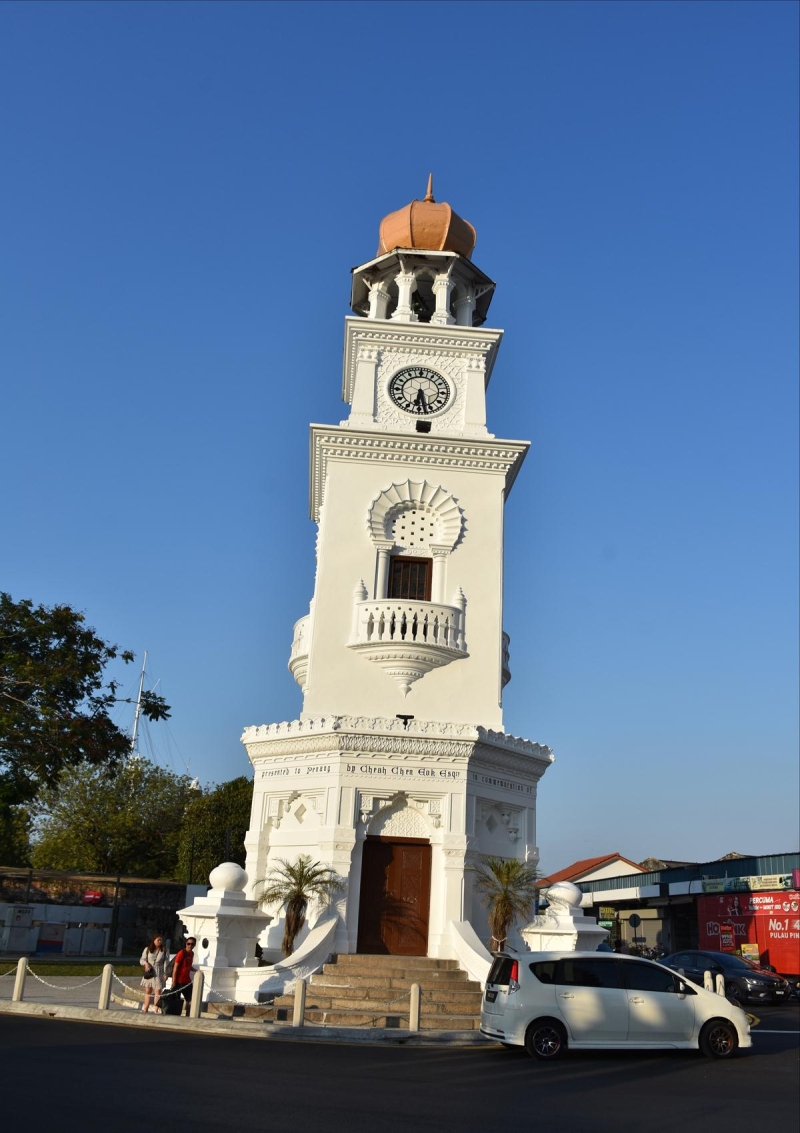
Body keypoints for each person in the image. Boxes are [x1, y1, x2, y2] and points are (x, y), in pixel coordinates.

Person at [139, 935, 170, 1013]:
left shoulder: (164, 950)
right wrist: (146, 963)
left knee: (158, 991)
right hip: (149, 971)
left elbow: (166, 963)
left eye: (161, 940)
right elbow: (142, 960)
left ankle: (156, 1009)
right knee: (148, 991)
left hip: (159, 971)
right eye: (158, 940)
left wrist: (166, 974)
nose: (160, 941)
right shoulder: (147, 949)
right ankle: (145, 1008)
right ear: (154, 940)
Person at [170, 936, 198, 1016]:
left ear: (194, 945)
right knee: (176, 1000)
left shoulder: (192, 954)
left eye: (192, 944)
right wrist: (174, 981)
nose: (190, 945)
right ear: (186, 944)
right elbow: (175, 968)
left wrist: (196, 970)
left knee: (191, 999)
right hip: (178, 980)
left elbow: (189, 966)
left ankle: (188, 1015)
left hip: (187, 981)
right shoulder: (181, 953)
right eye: (188, 943)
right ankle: (175, 1014)